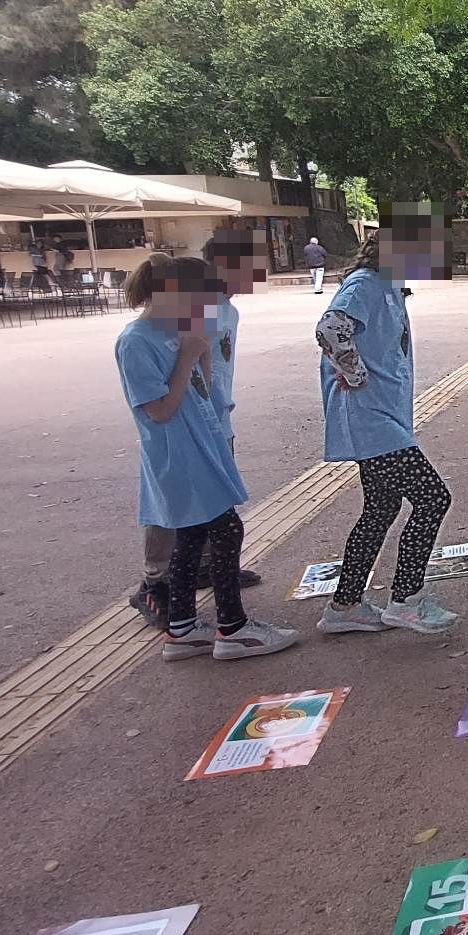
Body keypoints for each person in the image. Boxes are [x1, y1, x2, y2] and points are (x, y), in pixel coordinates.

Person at [116, 253, 296, 662]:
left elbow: (204, 392)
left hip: (202, 446)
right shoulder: (136, 341)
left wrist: (202, 355)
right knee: (226, 530)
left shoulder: (177, 330)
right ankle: (232, 628)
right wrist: (186, 357)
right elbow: (159, 410)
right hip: (178, 456)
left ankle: (182, 630)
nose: (206, 309)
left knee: (193, 537)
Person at [313, 208, 457, 636]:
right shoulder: (365, 284)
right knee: (432, 498)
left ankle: (344, 605)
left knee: (381, 508)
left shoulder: (389, 286)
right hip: (371, 420)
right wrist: (354, 374)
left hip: (383, 416)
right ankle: (406, 599)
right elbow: (331, 327)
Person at [130, 232, 268, 624]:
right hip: (183, 429)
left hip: (213, 419)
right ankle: (155, 583)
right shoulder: (191, 308)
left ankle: (207, 571)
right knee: (177, 510)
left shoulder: (227, 310)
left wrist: (217, 408)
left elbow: (208, 366)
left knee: (213, 512)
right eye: (250, 266)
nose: (257, 274)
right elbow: (171, 375)